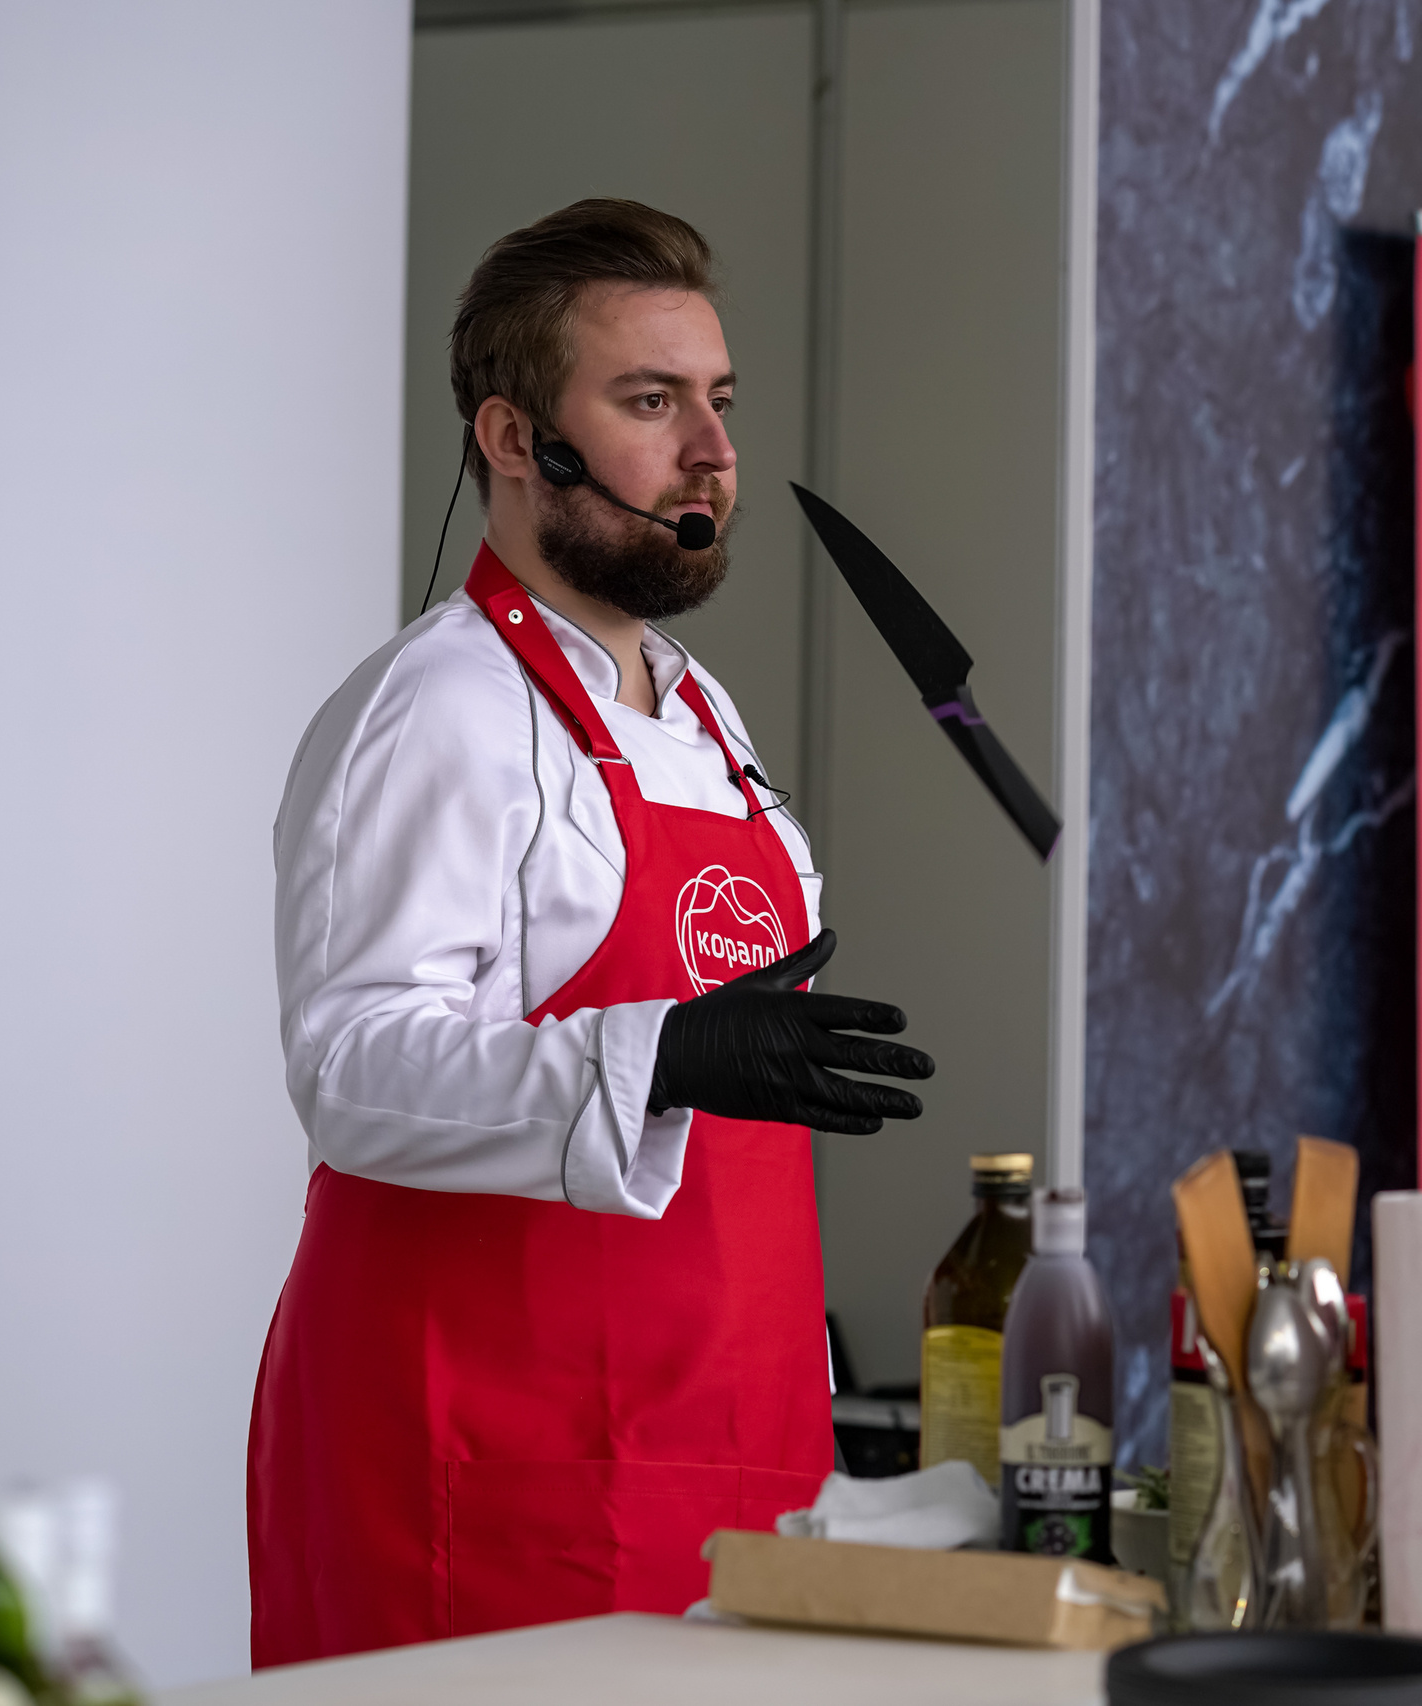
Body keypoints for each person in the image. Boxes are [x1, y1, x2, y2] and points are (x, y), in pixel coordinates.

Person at [247, 200, 933, 1665]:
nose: (713, 451)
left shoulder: (701, 714)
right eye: (649, 402)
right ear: (512, 439)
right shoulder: (432, 711)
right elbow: (352, 1065)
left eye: (720, 402)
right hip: (494, 1485)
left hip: (732, 1461)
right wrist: (663, 1050)